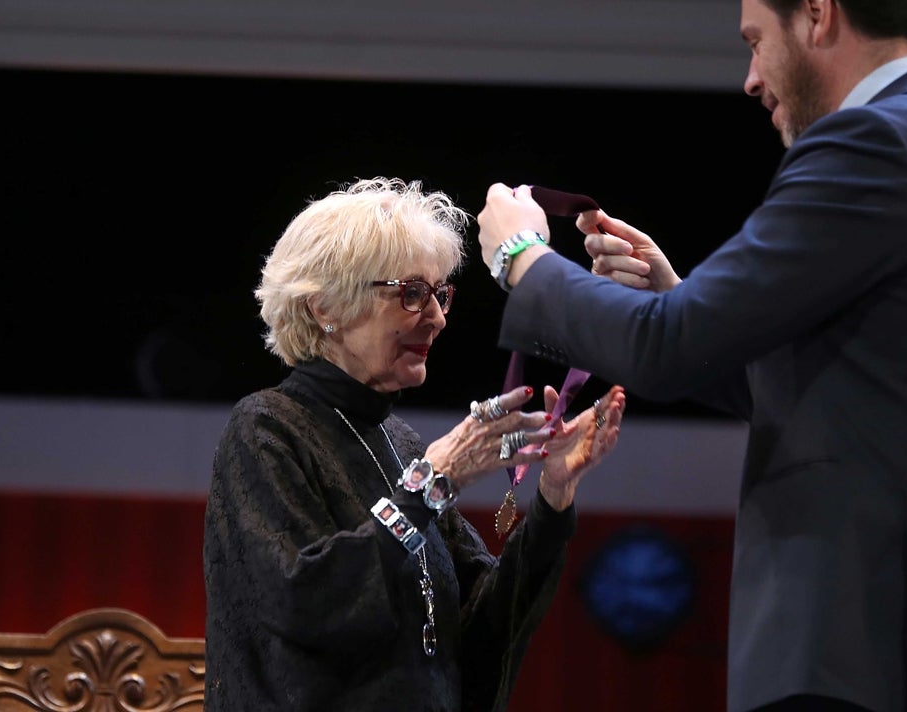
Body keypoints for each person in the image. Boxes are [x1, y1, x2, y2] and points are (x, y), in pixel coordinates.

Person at [476, 0, 907, 712]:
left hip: (865, 653)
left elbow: (667, 351)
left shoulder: (875, 146)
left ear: (817, 14)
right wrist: (684, 303)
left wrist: (523, 262)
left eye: (756, 41)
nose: (751, 79)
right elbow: (823, 391)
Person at [203, 176, 626, 712]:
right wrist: (429, 487)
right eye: (410, 294)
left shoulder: (400, 443)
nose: (438, 317)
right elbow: (304, 606)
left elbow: (482, 625)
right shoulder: (265, 428)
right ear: (323, 309)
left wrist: (552, 499)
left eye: (438, 293)